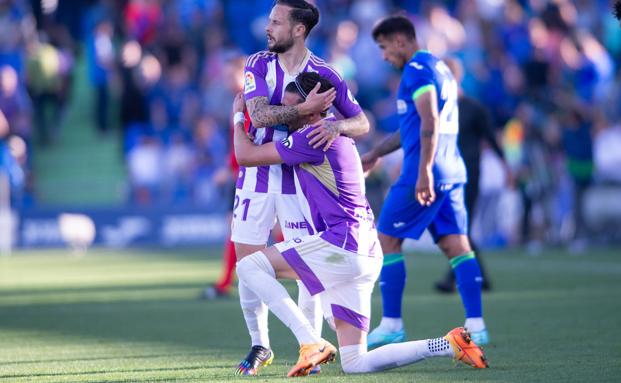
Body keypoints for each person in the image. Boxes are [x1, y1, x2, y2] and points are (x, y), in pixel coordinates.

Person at [233, 71, 488, 376]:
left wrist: (238, 116)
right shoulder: (334, 134)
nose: (286, 116)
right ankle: (450, 344)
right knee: (356, 362)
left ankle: (310, 343)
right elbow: (357, 124)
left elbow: (244, 155)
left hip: (343, 243)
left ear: (314, 107)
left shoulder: (310, 136)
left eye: (294, 108)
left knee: (249, 267)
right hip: (365, 251)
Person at [232, 0, 370, 375]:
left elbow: (361, 122)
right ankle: (260, 343)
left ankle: (308, 344)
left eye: (276, 22)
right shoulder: (258, 63)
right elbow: (259, 115)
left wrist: (338, 126)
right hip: (258, 173)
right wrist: (305, 109)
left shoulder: (326, 73)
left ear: (298, 29)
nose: (268, 27)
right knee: (248, 260)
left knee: (304, 263)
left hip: (299, 175)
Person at [361, 15, 488, 347]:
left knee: (386, 238)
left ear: (401, 41)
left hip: (425, 170)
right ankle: (476, 325)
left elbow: (429, 118)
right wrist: (376, 152)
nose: (384, 56)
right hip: (453, 170)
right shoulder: (441, 67)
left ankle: (391, 324)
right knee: (455, 245)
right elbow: (414, 126)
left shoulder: (416, 70)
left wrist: (424, 172)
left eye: (385, 48)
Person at [433, 57, 508, 293]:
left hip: (468, 176)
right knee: (458, 228)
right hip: (445, 176)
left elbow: (493, 141)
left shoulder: (474, 108)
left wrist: (507, 167)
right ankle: (480, 277)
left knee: (458, 228)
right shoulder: (439, 108)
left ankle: (452, 278)